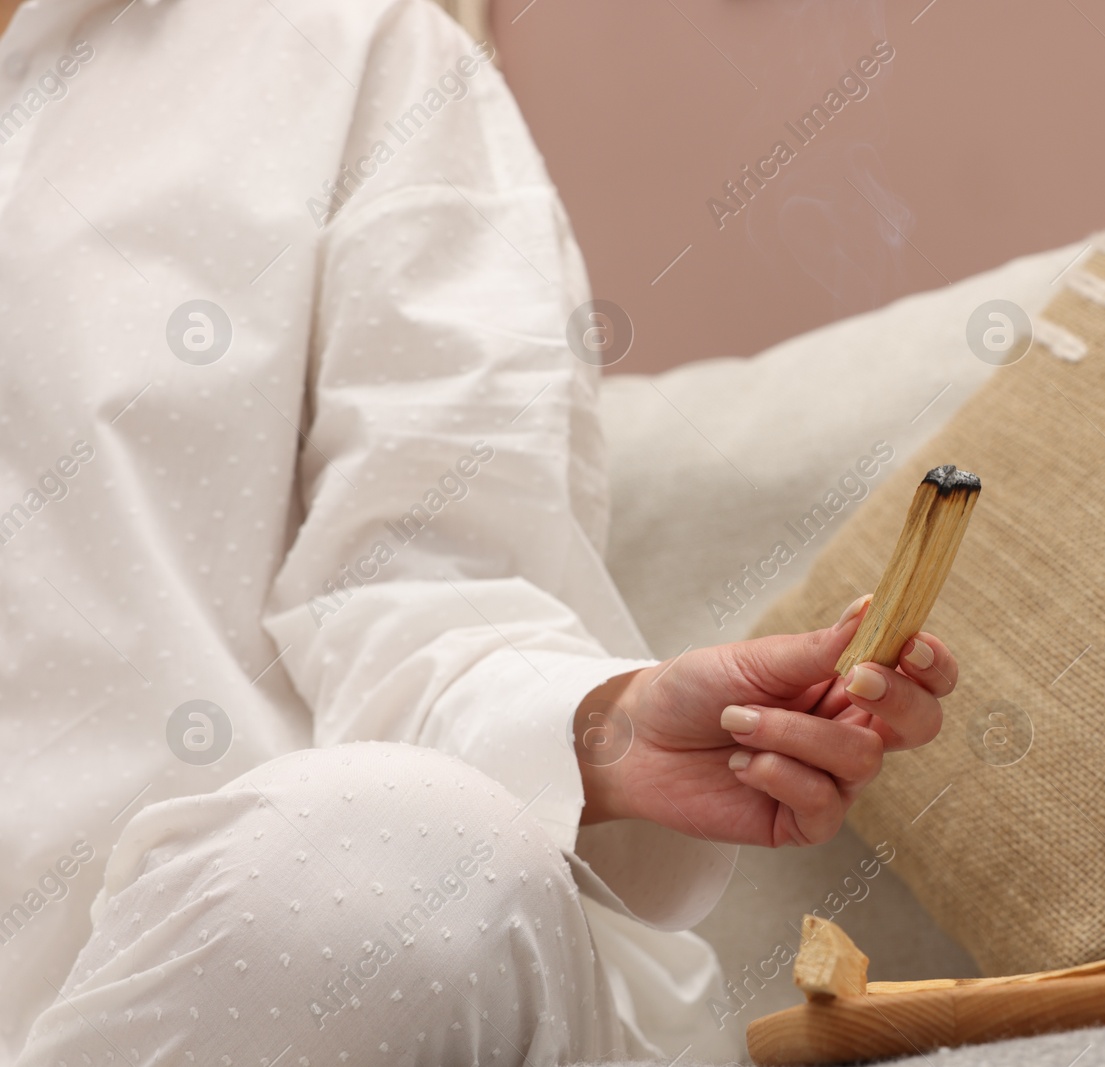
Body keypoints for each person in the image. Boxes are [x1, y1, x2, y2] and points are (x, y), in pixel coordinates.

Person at [0, 0, 957, 1062]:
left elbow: (428, 592)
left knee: (406, 855)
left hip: (256, 991)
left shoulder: (355, 51)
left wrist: (612, 727)